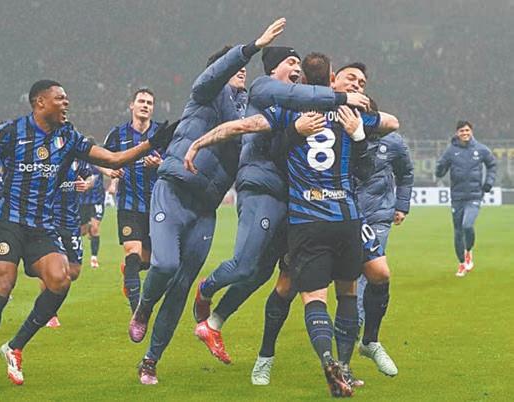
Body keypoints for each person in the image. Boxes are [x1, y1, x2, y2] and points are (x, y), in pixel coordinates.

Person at [185, 55, 398, 397]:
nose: (357, 85)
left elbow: (241, 127)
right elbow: (391, 123)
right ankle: (272, 357)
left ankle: (339, 358)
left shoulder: (292, 111)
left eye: (361, 83)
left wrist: (198, 141)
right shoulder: (348, 113)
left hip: (308, 218)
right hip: (339, 216)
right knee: (315, 289)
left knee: (315, 291)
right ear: (332, 79)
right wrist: (359, 126)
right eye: (350, 79)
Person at [0, 79, 173, 392]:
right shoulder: (12, 131)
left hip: (42, 226)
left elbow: (113, 159)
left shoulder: (68, 136)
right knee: (3, 284)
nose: (66, 103)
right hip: (9, 221)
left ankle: (15, 346)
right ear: (40, 102)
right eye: (60, 98)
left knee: (61, 280)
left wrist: (150, 143)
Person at [128, 18, 287, 385]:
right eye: (236, 68)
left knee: (182, 286)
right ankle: (144, 306)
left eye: (245, 69)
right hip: (174, 189)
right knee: (165, 265)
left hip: (205, 208)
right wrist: (252, 47)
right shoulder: (204, 94)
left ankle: (151, 360)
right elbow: (214, 75)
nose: (243, 72)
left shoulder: (247, 112)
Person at [354, 102, 413, 376]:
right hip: (347, 214)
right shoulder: (345, 136)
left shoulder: (394, 142)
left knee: (369, 272)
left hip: (379, 215)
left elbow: (406, 173)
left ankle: (357, 327)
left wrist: (401, 206)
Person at [103, 87, 165, 315]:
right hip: (128, 204)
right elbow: (99, 158)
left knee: (148, 262)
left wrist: (160, 164)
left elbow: (175, 160)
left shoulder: (161, 133)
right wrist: (109, 171)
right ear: (132, 105)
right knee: (132, 253)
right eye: (141, 101)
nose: (145, 105)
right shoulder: (117, 134)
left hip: (156, 205)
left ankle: (130, 272)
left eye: (149, 103)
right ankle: (137, 313)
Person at [435, 120, 497, 277]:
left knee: (467, 225)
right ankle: (462, 263)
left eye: (467, 130)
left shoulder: (481, 149)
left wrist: (488, 182)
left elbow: (492, 165)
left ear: (471, 131)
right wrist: (439, 169)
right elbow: (440, 171)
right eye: (462, 131)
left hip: (474, 195)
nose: (465, 133)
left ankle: (468, 251)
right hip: (457, 197)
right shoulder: (451, 151)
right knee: (457, 232)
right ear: (457, 133)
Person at [44, 157, 94, 328]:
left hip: (72, 222)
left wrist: (87, 184)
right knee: (52, 269)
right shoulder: (48, 157)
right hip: (49, 221)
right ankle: (49, 313)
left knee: (73, 272)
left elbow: (90, 176)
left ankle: (48, 306)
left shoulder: (78, 158)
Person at [79, 138, 107, 269]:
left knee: (95, 228)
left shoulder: (99, 162)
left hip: (97, 199)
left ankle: (94, 258)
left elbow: (110, 170)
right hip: (82, 201)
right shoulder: (80, 163)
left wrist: (113, 184)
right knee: (83, 231)